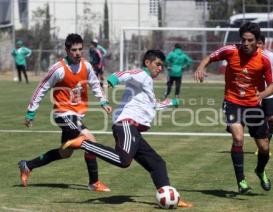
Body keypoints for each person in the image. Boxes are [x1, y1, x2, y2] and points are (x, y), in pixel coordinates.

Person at [62, 50, 193, 208]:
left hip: (133, 130)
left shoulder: (147, 83)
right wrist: (111, 81)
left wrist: (171, 102)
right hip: (126, 124)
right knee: (123, 161)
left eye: (162, 66)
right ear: (147, 63)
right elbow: (123, 74)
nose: (160, 68)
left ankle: (171, 197)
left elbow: (153, 105)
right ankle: (84, 143)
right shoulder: (141, 74)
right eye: (157, 64)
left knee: (158, 164)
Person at [19, 33, 112, 192]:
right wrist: (30, 113)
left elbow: (95, 84)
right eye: (74, 50)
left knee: (65, 153)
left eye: (80, 49)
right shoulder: (58, 69)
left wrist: (103, 101)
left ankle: (28, 165)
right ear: (67, 50)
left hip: (77, 114)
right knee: (90, 140)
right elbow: (41, 88)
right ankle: (94, 183)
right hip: (63, 114)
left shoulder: (86, 66)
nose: (77, 53)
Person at [194, 22, 273, 194]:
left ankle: (260, 170)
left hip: (253, 105)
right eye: (243, 40)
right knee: (238, 138)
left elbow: (272, 85)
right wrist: (201, 67)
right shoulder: (230, 50)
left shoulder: (265, 59)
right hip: (232, 102)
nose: (245, 43)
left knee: (264, 148)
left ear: (257, 40)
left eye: (250, 40)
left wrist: (262, 94)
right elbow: (209, 57)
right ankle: (241, 182)